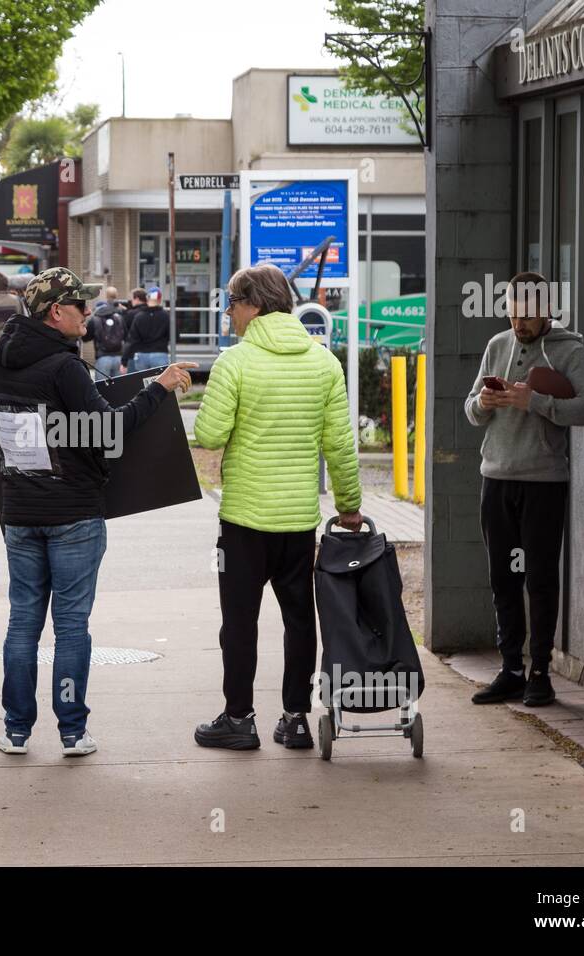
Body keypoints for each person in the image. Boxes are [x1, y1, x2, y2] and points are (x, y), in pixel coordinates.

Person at [0, 266, 196, 758]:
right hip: (73, 516)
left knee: (22, 622)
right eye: (80, 306)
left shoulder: (0, 358)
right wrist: (158, 388)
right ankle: (72, 732)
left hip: (20, 514)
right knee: (70, 625)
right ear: (55, 313)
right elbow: (110, 430)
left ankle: (15, 730)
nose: (89, 314)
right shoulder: (63, 368)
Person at [192, 264, 363, 752]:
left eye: (231, 302)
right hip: (297, 524)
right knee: (300, 619)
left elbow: (208, 436)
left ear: (254, 305)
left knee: (240, 621)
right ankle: (296, 718)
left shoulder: (235, 362)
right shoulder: (323, 363)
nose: (228, 312)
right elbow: (340, 446)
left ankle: (239, 719)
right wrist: (349, 506)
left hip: (245, 521)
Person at [464, 271, 584, 707]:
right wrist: (484, 403)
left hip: (544, 481)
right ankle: (511, 670)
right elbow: (470, 410)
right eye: (513, 313)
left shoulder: (569, 350)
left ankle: (540, 673)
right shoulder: (496, 346)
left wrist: (535, 402)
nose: (518, 323)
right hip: (496, 477)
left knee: (539, 579)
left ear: (546, 312)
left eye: (527, 315)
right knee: (503, 578)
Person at [122, 286, 171, 373]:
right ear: (160, 299)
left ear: (148, 298)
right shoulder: (166, 316)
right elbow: (175, 336)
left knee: (143, 385)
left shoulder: (139, 317)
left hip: (142, 355)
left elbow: (131, 340)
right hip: (160, 354)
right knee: (161, 384)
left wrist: (124, 361)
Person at [84, 286, 128, 380]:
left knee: (102, 389)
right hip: (119, 358)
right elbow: (126, 337)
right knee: (119, 388)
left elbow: (85, 338)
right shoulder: (119, 317)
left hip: (102, 358)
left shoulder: (94, 320)